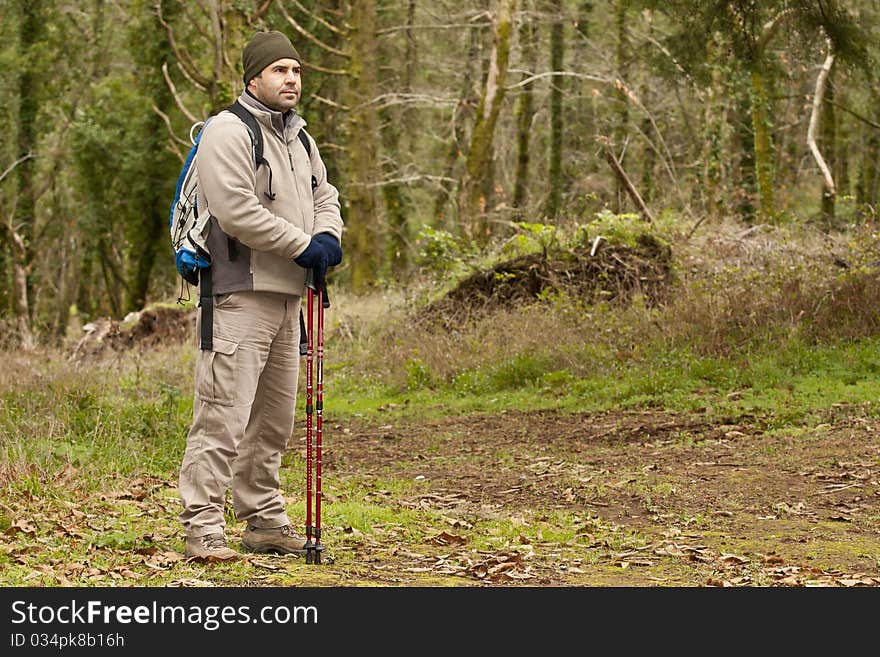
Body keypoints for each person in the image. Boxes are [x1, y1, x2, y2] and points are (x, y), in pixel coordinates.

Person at [178, 30, 344, 560]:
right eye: (279, 70)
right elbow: (236, 210)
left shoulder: (302, 138)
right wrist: (303, 246)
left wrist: (328, 238)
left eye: (296, 70)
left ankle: (264, 521)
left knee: (274, 420)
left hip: (289, 296)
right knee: (222, 413)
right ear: (253, 77)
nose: (291, 79)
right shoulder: (228, 131)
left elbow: (325, 194)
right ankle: (203, 526)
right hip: (239, 292)